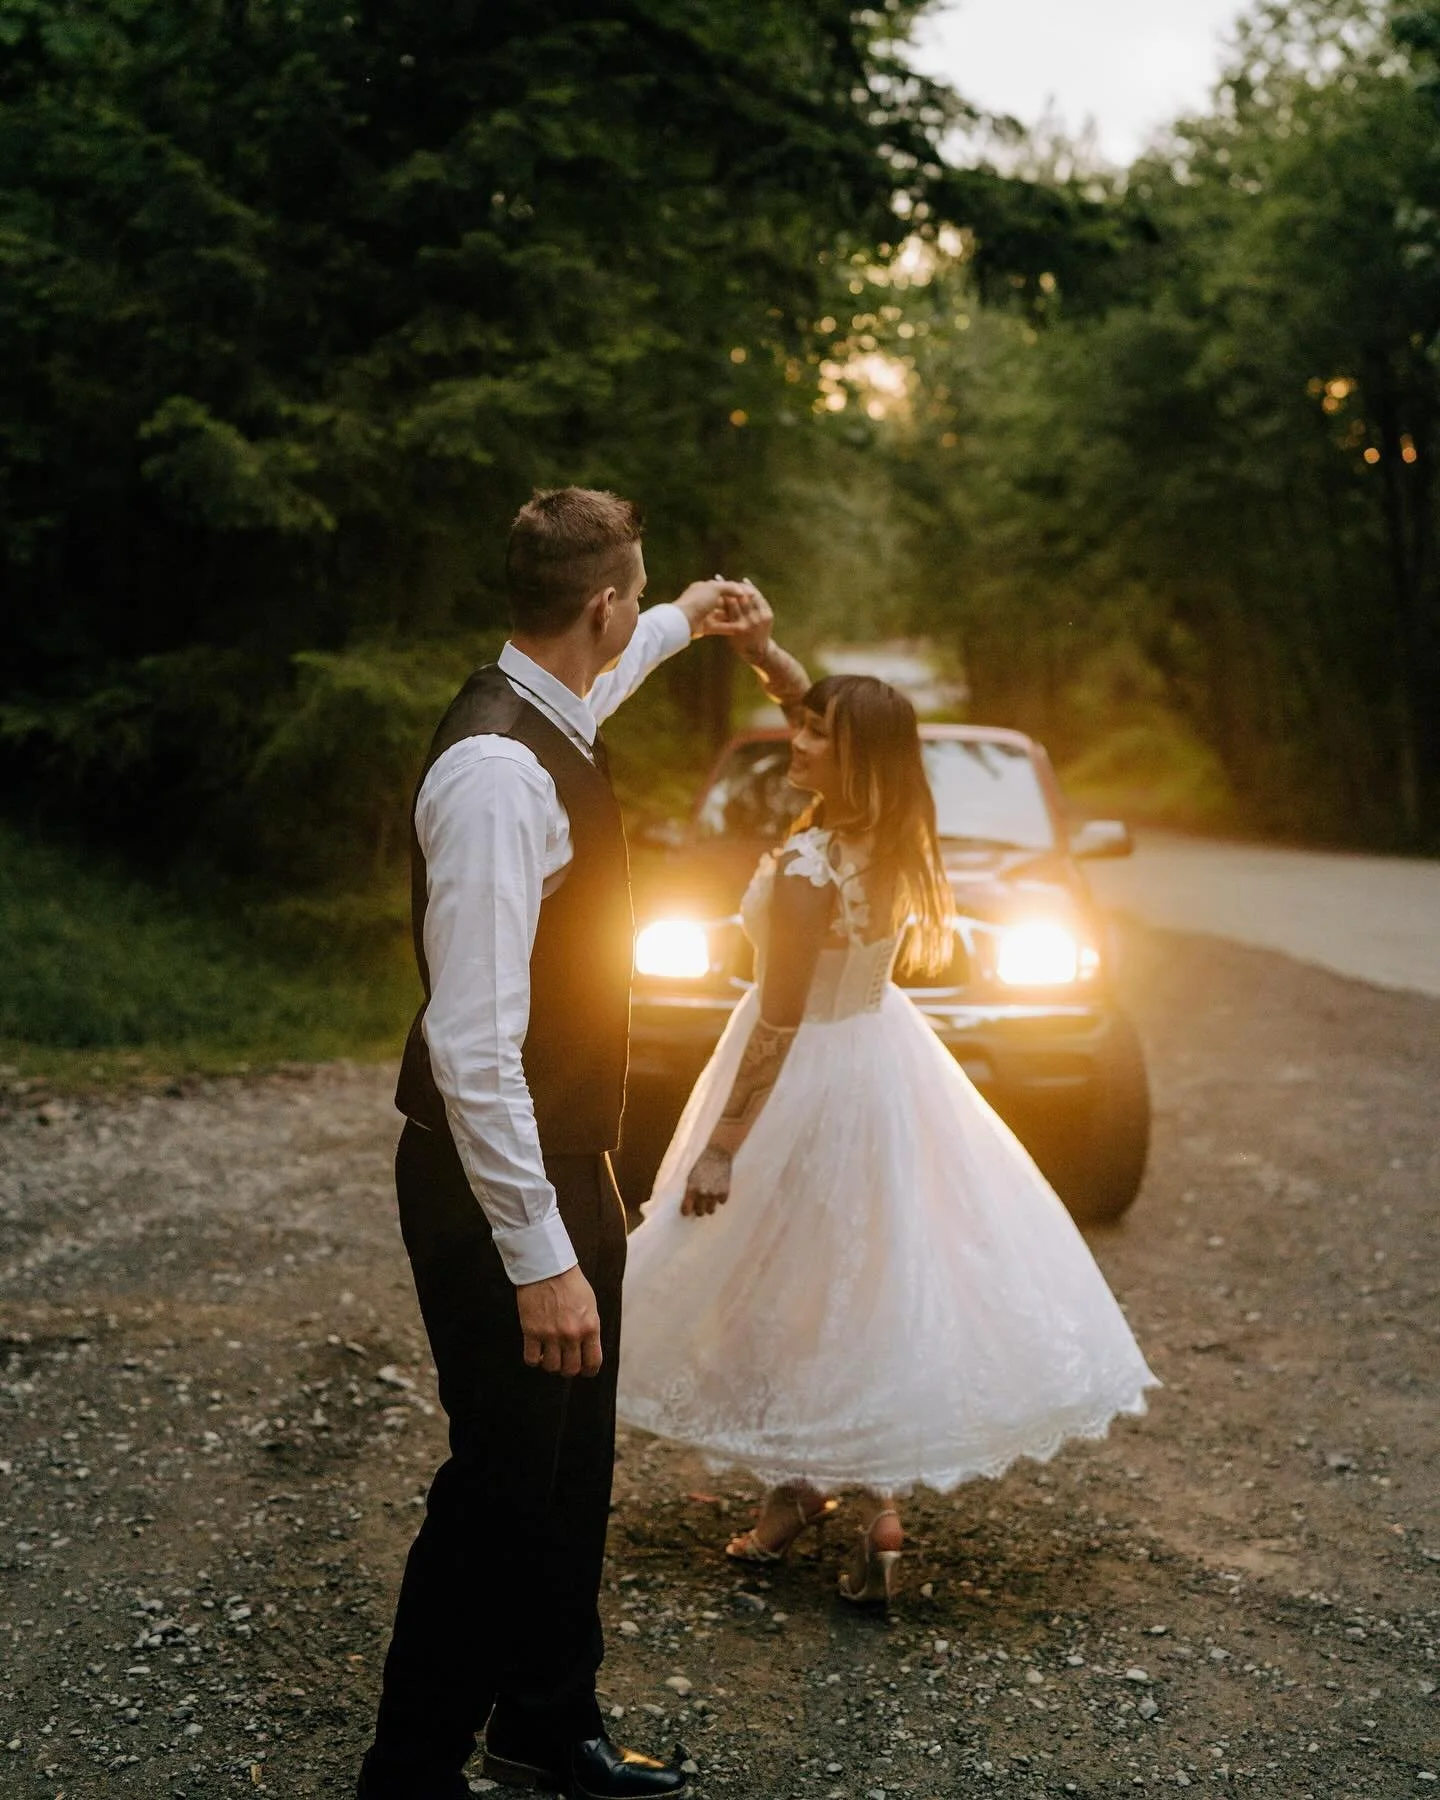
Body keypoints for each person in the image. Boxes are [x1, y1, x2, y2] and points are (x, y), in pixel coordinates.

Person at [357, 488, 772, 1800]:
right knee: (499, 1485)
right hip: (495, 1184)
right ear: (595, 602)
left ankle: (545, 1722)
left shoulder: (549, 709)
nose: (632, 618)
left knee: (571, 1469)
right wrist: (539, 1256)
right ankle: (410, 1771)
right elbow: (473, 1051)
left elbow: (612, 670)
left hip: (571, 1161)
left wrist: (690, 621)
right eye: (633, 599)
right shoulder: (493, 773)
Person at [617, 633, 1158, 1607]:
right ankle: (852, 1509)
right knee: (866, 1281)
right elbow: (814, 709)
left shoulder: (810, 868)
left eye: (813, 735)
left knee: (772, 1289)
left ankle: (830, 1498)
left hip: (809, 1077)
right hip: (884, 1058)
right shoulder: (897, 830)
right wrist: (765, 648)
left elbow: (778, 1020)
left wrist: (723, 1148)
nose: (795, 740)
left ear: (848, 754)